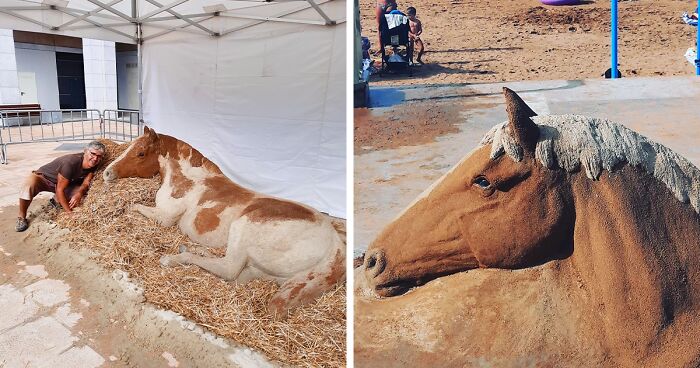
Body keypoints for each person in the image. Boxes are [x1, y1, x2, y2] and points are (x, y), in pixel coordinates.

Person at [16, 140, 105, 232]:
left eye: (99, 156)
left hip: (65, 183)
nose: (95, 158)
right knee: (29, 185)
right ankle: (21, 217)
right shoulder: (70, 162)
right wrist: (69, 214)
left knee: (83, 196)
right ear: (85, 151)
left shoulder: (95, 164)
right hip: (44, 179)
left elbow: (86, 182)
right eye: (92, 154)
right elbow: (59, 189)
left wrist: (79, 193)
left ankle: (55, 200)